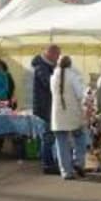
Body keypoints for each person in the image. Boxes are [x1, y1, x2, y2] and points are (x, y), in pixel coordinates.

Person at [50, 56, 87, 180]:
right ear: (70, 64)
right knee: (80, 136)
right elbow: (80, 94)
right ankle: (78, 162)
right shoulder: (73, 76)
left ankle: (66, 171)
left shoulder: (53, 77)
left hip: (57, 114)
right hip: (72, 113)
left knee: (61, 143)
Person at [32, 44, 61, 175]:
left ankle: (49, 163)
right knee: (47, 137)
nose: (58, 58)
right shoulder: (41, 67)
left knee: (49, 137)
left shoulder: (46, 66)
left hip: (48, 106)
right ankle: (47, 165)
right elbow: (49, 83)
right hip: (45, 107)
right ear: (51, 53)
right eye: (57, 55)